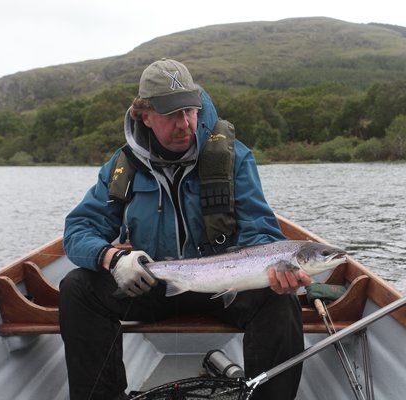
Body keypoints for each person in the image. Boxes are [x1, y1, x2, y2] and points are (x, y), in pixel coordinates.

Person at [60, 58, 311, 400]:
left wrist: (277, 269)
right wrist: (112, 259)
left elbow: (261, 230)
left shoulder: (234, 157)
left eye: (190, 111)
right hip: (153, 283)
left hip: (226, 284)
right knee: (77, 289)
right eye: (171, 114)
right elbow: (78, 229)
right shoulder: (122, 167)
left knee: (280, 301)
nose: (184, 124)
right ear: (144, 115)